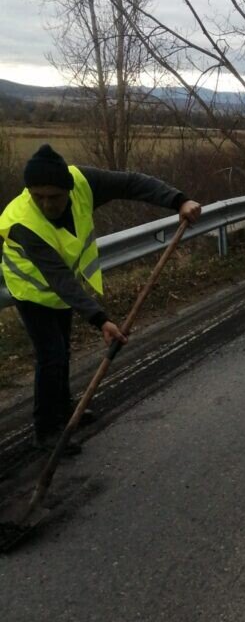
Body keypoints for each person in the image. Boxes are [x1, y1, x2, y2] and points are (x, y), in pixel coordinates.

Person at [0, 144, 202, 453]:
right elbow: (59, 278)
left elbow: (131, 183)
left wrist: (179, 200)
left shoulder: (83, 183)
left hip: (60, 290)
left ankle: (65, 409)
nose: (46, 204)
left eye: (54, 197)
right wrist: (101, 319)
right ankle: (46, 430)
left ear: (67, 189)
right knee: (51, 355)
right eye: (38, 196)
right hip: (31, 289)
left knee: (63, 350)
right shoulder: (23, 223)